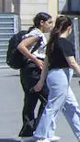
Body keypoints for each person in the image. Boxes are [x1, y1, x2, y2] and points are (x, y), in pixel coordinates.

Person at [33, 15, 80, 142]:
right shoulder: (64, 43)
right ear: (69, 28)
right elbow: (72, 63)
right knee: (53, 106)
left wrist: (41, 80)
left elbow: (46, 63)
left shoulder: (52, 42)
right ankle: (42, 135)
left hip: (55, 76)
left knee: (71, 105)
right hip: (60, 76)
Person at [16, 12, 54, 140]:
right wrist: (36, 60)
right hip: (33, 70)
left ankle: (27, 133)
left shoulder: (35, 33)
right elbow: (21, 46)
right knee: (47, 99)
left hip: (28, 71)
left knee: (30, 101)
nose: (51, 25)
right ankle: (40, 130)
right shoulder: (37, 34)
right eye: (49, 22)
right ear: (41, 23)